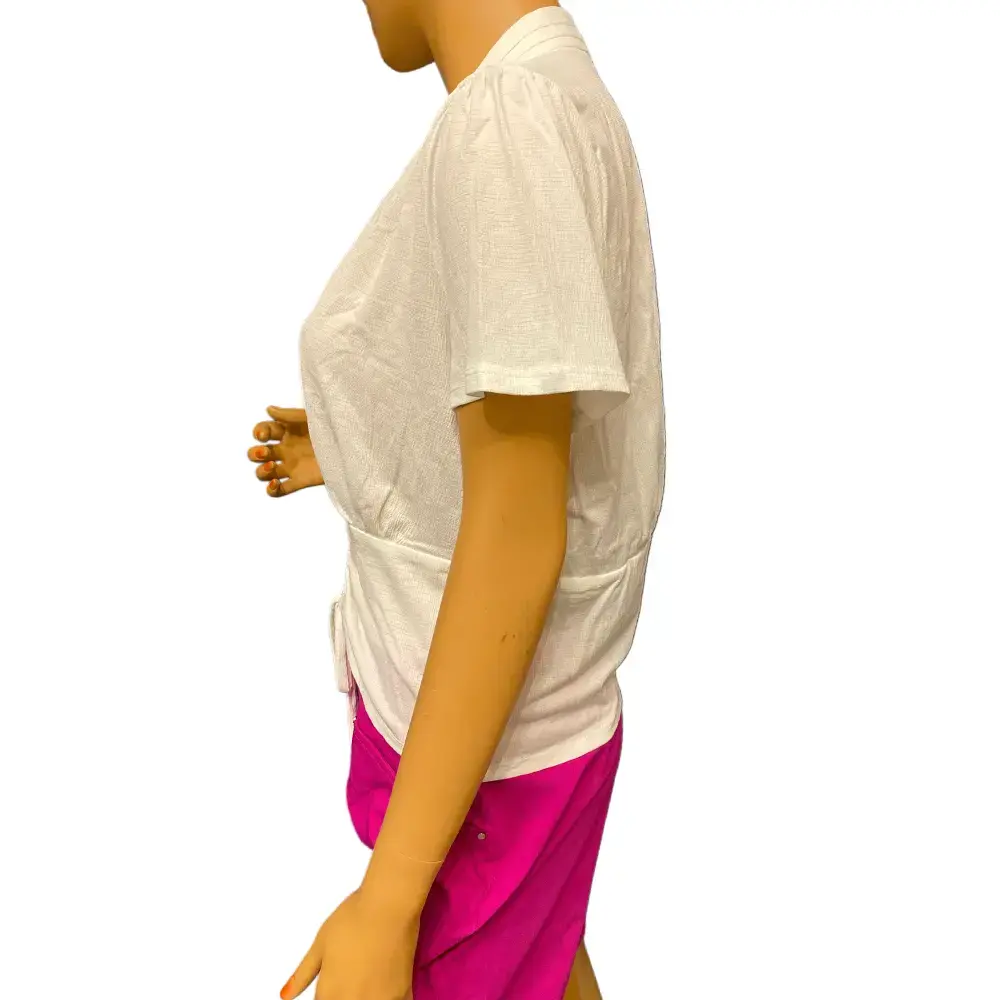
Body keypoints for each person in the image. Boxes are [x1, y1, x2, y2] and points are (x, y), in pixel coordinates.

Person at [246, 3, 665, 997]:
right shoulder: (542, 95)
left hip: (484, 767)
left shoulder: (507, 124)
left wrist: (388, 900)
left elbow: (518, 531)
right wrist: (366, 445)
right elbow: (545, 421)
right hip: (485, 743)